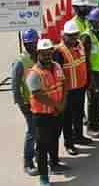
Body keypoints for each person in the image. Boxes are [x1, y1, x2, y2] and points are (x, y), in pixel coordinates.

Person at [27, 39, 69, 186]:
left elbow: (64, 84)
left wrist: (63, 103)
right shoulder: (34, 73)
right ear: (38, 54)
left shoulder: (56, 66)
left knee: (54, 140)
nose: (47, 56)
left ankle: (55, 164)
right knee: (42, 147)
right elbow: (38, 95)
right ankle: (44, 177)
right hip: (42, 116)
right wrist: (56, 105)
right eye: (44, 54)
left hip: (57, 113)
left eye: (49, 52)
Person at [54, 21, 89, 155]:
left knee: (79, 114)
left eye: (75, 35)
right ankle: (69, 144)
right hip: (67, 91)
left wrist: (87, 81)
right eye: (70, 36)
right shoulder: (59, 51)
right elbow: (57, 74)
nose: (73, 38)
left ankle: (79, 136)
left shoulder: (79, 45)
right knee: (67, 119)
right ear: (64, 36)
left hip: (80, 87)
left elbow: (84, 63)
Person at [11, 29, 39, 176]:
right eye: (29, 43)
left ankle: (36, 153)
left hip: (39, 100)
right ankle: (28, 162)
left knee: (39, 130)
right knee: (32, 131)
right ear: (25, 44)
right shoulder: (20, 62)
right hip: (27, 103)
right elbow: (15, 86)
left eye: (34, 42)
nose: (32, 45)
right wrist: (21, 103)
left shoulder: (39, 56)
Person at [81, 9, 99, 136]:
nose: (96, 23)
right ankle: (91, 127)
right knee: (92, 100)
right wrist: (90, 77)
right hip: (93, 73)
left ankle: (97, 121)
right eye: (94, 21)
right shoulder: (86, 36)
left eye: (98, 21)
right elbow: (85, 58)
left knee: (98, 99)